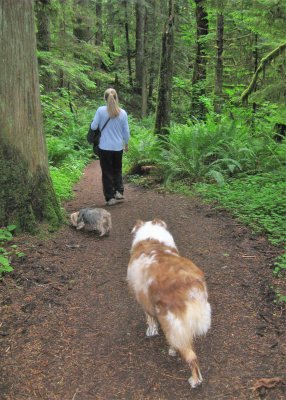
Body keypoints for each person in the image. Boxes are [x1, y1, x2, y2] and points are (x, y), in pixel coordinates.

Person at [91, 88, 130, 206]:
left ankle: (110, 198)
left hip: (104, 147)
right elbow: (126, 132)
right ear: (116, 98)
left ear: (105, 98)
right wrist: (126, 143)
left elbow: (93, 127)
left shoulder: (100, 110)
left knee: (107, 172)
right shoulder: (123, 113)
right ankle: (119, 191)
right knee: (117, 169)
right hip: (118, 147)